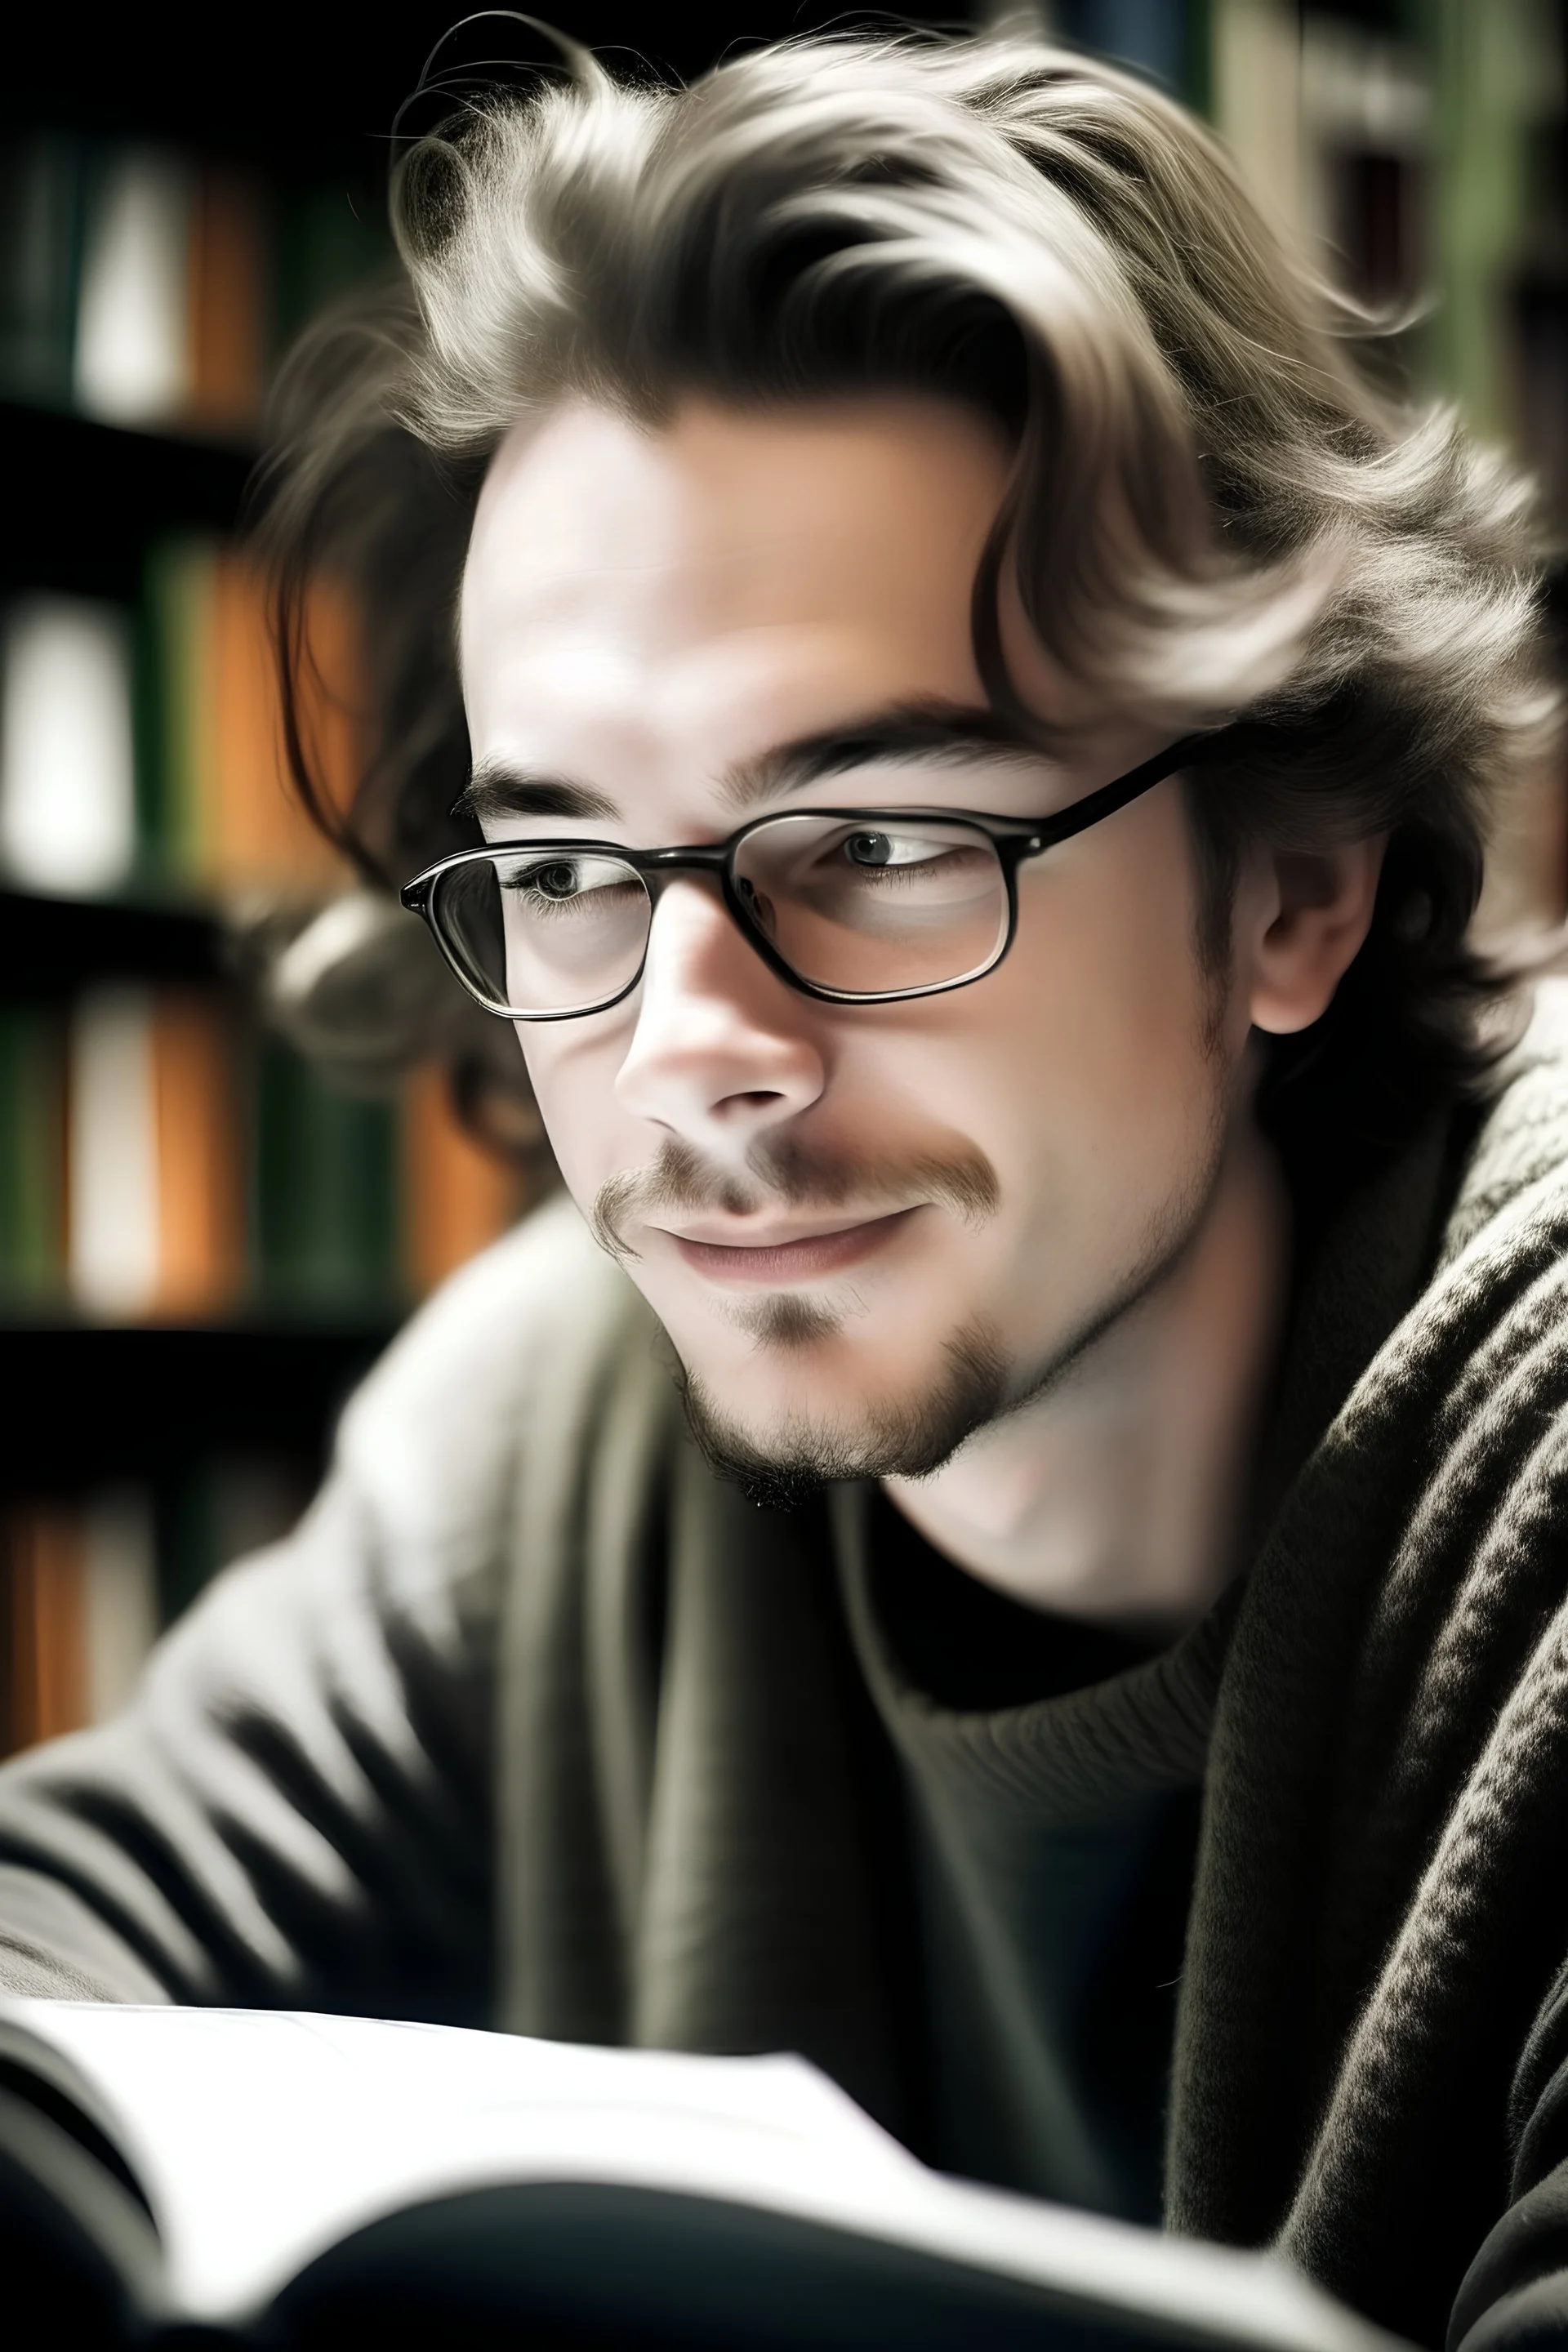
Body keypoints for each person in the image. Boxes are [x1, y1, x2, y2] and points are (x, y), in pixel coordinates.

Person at [2, 25, 1565, 2348]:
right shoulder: (549, 1421)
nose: (684, 1050)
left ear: (1297, 888)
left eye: (892, 843)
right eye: (559, 860)